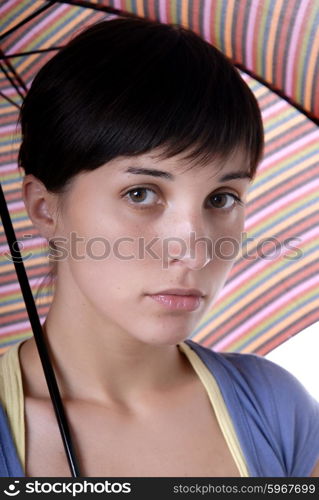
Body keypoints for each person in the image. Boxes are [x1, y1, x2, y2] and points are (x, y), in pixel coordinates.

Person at [0, 16, 318, 478]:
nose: (194, 250)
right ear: (46, 210)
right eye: (141, 194)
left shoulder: (278, 410)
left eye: (221, 198)